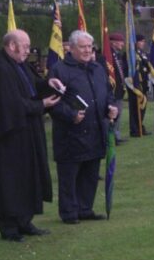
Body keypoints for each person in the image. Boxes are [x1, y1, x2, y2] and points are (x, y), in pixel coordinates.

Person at [0, 30, 63, 242]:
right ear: (12, 46)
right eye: (24, 46)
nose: (28, 50)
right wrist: (41, 105)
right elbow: (11, 103)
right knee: (10, 180)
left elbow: (32, 86)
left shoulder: (20, 65)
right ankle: (9, 226)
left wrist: (49, 84)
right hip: (8, 136)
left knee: (29, 177)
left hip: (28, 131)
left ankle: (25, 221)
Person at [48, 31, 118, 224]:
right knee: (70, 176)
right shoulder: (59, 70)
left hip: (96, 131)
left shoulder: (97, 68)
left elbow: (107, 94)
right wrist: (71, 115)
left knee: (90, 173)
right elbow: (54, 102)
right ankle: (69, 212)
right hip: (71, 134)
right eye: (83, 47)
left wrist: (111, 108)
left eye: (90, 46)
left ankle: (85, 208)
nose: (88, 50)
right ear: (71, 48)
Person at [129, 34, 151, 137]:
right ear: (136, 42)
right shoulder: (131, 54)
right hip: (135, 84)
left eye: (143, 41)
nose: (143, 43)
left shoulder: (142, 53)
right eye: (141, 41)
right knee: (135, 107)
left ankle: (140, 126)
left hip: (143, 83)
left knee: (142, 107)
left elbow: (147, 66)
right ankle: (134, 129)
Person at [108, 32, 128, 145]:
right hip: (113, 89)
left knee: (119, 113)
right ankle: (112, 137)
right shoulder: (109, 55)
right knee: (114, 114)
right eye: (120, 41)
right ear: (113, 42)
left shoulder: (118, 55)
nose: (122, 44)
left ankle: (117, 135)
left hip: (119, 88)